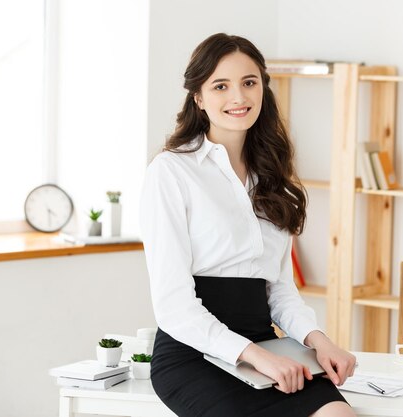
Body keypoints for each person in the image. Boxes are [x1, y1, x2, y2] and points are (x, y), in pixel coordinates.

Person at [139, 33, 357, 417]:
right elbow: (173, 306)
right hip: (195, 355)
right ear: (199, 98)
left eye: (249, 82)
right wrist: (255, 356)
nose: (238, 97)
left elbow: (281, 292)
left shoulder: (273, 178)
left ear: (262, 89)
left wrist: (318, 341)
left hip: (266, 347)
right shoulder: (171, 171)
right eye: (220, 86)